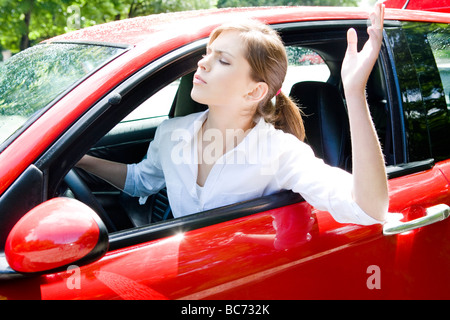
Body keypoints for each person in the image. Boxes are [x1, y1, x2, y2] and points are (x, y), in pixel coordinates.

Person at [76, 3, 389, 225]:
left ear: (254, 92)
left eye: (223, 60)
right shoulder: (171, 133)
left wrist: (354, 92)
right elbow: (141, 181)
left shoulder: (279, 152)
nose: (202, 63)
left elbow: (369, 209)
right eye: (208, 53)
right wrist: (78, 160)